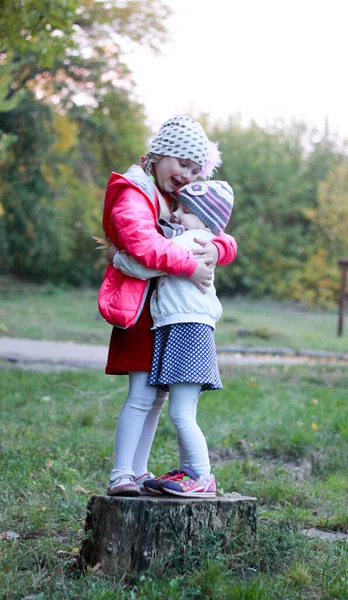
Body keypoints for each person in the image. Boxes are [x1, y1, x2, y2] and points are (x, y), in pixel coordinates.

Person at [97, 116, 237, 496]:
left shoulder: (176, 197)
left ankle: (138, 471)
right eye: (182, 163)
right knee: (142, 394)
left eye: (196, 169)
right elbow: (142, 246)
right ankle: (122, 472)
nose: (188, 175)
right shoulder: (135, 192)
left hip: (168, 313)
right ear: (159, 153)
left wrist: (216, 248)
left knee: (157, 398)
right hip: (143, 311)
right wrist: (191, 264)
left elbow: (214, 230)